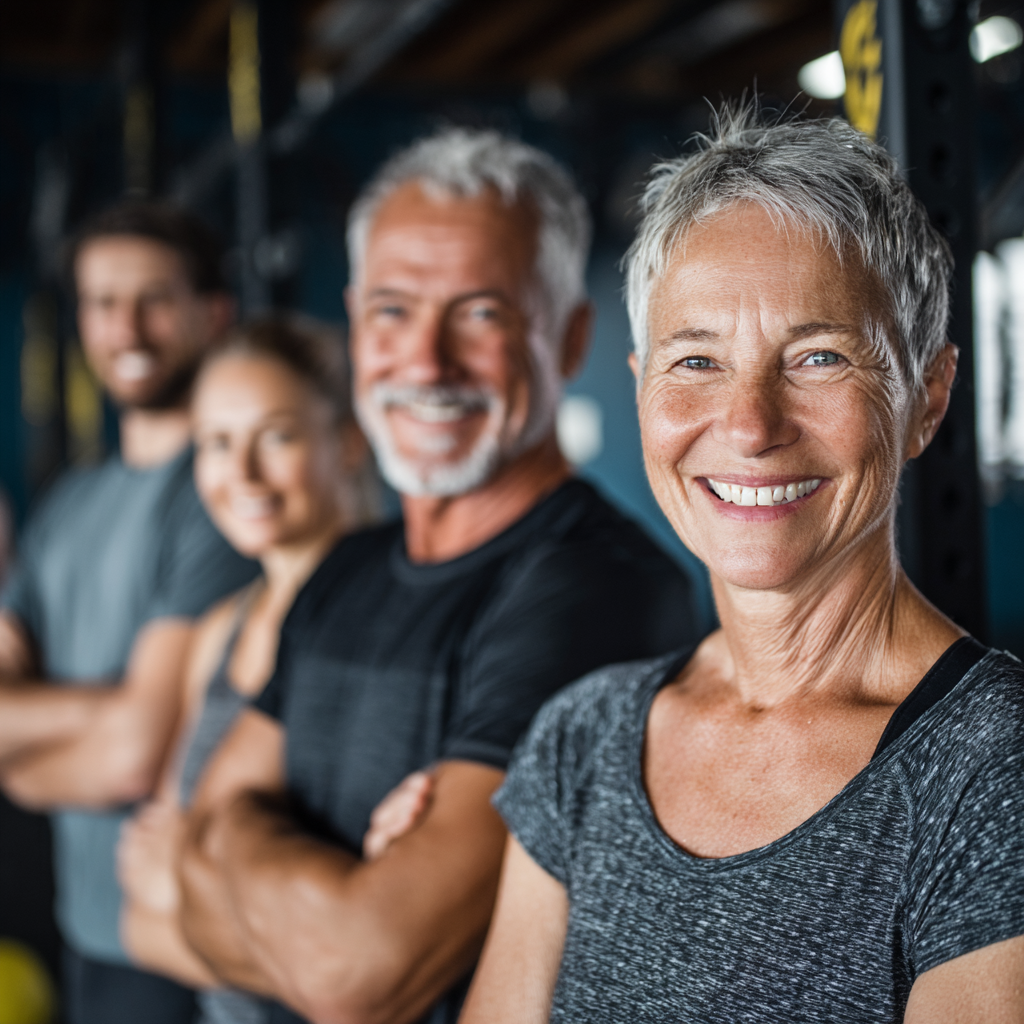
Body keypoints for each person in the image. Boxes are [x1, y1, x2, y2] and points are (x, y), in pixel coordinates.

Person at [459, 106, 1024, 1024]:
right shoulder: (583, 743)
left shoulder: (991, 775)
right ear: (642, 385)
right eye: (697, 361)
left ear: (926, 397)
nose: (751, 426)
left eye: (819, 356)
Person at [178, 127, 699, 1024]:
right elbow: (173, 906)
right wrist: (295, 905)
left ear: (571, 337)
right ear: (353, 321)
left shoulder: (598, 585)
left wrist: (223, 841)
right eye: (393, 310)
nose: (425, 362)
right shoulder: (344, 567)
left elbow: (362, 971)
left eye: (480, 313)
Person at [0, 202, 258, 1024]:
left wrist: (24, 762)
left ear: (213, 314)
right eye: (103, 303)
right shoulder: (67, 505)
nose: (126, 327)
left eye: (153, 299)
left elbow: (132, 761)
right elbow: (119, 732)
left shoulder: (227, 497)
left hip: (185, 944)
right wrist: (116, 710)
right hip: (85, 930)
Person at [117, 315, 380, 1024]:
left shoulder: (389, 628)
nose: (243, 474)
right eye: (218, 443)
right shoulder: (217, 634)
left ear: (348, 443)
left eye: (278, 437)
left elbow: (375, 953)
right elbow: (139, 916)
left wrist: (186, 881)